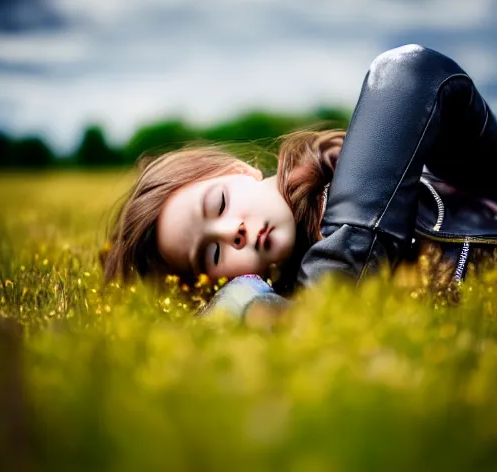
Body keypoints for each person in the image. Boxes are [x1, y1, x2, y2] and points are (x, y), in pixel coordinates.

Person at [102, 44, 497, 317]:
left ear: (239, 171)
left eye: (219, 204)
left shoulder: (354, 167)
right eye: (213, 254)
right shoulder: (272, 304)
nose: (231, 232)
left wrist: (322, 302)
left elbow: (413, 71)